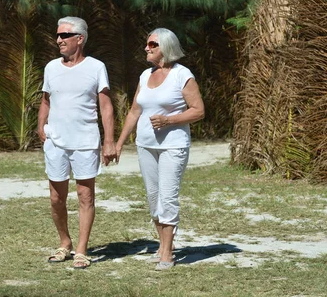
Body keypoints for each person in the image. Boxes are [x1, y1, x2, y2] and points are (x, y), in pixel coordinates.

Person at [116, 28, 204, 271]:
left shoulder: (182, 75)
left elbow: (198, 110)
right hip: (145, 145)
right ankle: (163, 245)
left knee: (167, 197)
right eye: (147, 44)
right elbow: (135, 111)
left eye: (152, 44)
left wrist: (169, 120)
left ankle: (167, 252)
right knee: (154, 198)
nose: (147, 48)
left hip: (173, 146)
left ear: (166, 46)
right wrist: (119, 142)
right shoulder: (145, 76)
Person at [37, 16, 117, 269]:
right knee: (55, 198)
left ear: (79, 39)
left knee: (85, 196)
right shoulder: (51, 67)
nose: (58, 40)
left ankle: (81, 250)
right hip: (56, 142)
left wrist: (109, 141)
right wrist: (41, 126)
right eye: (58, 35)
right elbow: (46, 100)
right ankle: (65, 242)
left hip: (85, 141)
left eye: (64, 35)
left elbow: (106, 106)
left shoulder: (96, 67)